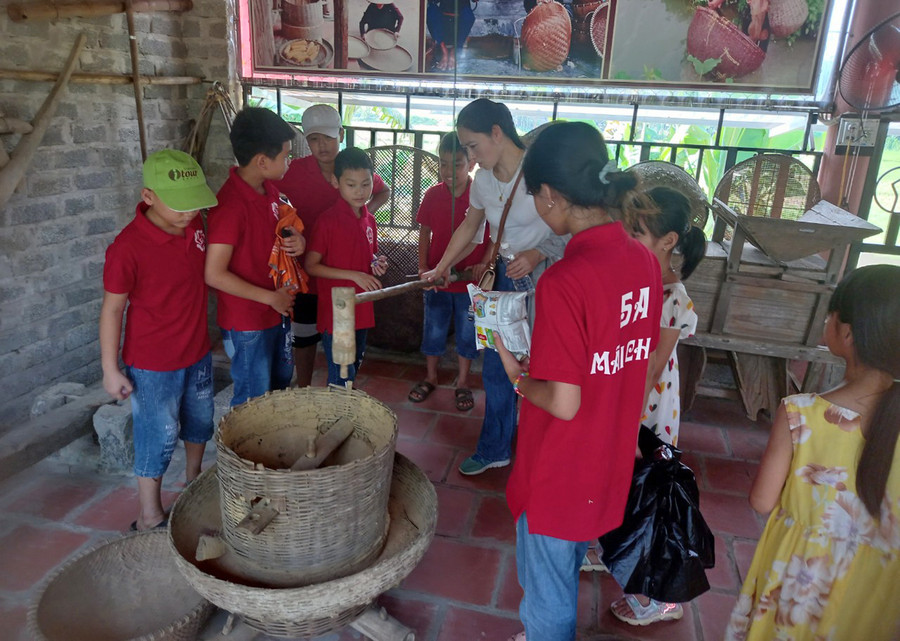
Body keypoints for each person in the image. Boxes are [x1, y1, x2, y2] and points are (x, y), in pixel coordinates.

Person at [493, 121, 663, 641]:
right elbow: (633, 355)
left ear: (549, 196)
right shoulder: (643, 261)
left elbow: (563, 402)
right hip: (608, 454)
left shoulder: (565, 279)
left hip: (559, 466)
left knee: (547, 593)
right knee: (566, 562)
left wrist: (517, 376)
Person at [725, 264, 900, 641]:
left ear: (848, 334)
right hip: (880, 588)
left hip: (804, 580)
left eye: (831, 314)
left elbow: (761, 500)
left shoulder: (801, 413)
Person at [423, 98, 563, 476]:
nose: (469, 156)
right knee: (498, 366)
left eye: (472, 146)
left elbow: (572, 226)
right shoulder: (484, 179)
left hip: (546, 279)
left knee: (545, 366)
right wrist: (441, 266)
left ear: (497, 133)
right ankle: (495, 447)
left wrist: (537, 253)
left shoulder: (542, 170)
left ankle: (543, 452)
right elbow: (471, 226)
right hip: (503, 278)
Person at [603, 185, 707, 624]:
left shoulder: (672, 298)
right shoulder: (635, 278)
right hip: (625, 399)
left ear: (668, 241)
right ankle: (605, 545)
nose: (628, 238)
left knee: (643, 497)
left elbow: (650, 369)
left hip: (645, 410)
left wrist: (625, 424)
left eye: (639, 232)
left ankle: (654, 600)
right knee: (618, 484)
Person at [100, 149, 219, 532]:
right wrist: (109, 367)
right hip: (152, 363)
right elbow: (112, 310)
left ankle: (194, 483)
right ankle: (149, 515)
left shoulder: (195, 225)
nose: (189, 212)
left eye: (194, 203)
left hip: (197, 350)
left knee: (200, 422)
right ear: (148, 196)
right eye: (180, 205)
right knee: (159, 436)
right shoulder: (127, 248)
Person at [275, 104, 390, 387]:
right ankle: (304, 388)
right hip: (307, 269)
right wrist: (292, 233)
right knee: (306, 336)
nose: (321, 145)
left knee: (344, 352)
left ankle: (338, 395)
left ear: (340, 133)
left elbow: (382, 191)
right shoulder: (295, 171)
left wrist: (362, 217)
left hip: (342, 285)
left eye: (327, 137)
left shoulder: (354, 167)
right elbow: (273, 203)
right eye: (314, 138)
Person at [205, 107, 304, 407]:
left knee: (278, 385)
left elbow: (281, 232)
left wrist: (298, 241)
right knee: (252, 399)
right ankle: (245, 455)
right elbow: (214, 274)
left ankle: (270, 451)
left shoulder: (270, 191)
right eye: (286, 155)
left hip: (275, 310)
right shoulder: (231, 206)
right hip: (247, 321)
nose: (290, 161)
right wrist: (269, 298)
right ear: (262, 161)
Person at [408, 132, 488, 411]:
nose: (449, 170)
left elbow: (491, 238)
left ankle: (463, 381)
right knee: (434, 329)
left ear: (471, 163)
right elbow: (424, 234)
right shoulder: (432, 194)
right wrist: (423, 267)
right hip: (436, 280)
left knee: (468, 334)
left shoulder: (481, 195)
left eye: (456, 164)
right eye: (443, 164)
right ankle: (431, 376)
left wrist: (484, 264)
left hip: (469, 282)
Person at [305, 147, 388, 387]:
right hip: (339, 306)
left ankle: (345, 415)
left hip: (362, 303)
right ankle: (338, 418)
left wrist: (376, 264)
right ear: (335, 182)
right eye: (351, 185)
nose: (360, 191)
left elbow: (368, 257)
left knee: (353, 366)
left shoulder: (369, 219)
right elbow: (312, 266)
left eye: (365, 184)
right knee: (342, 373)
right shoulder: (328, 221)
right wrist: (355, 275)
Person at [426, 0, 476, 70]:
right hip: (443, 12)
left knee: (468, 16)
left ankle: (454, 51)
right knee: (431, 11)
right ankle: (444, 51)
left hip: (462, 11)